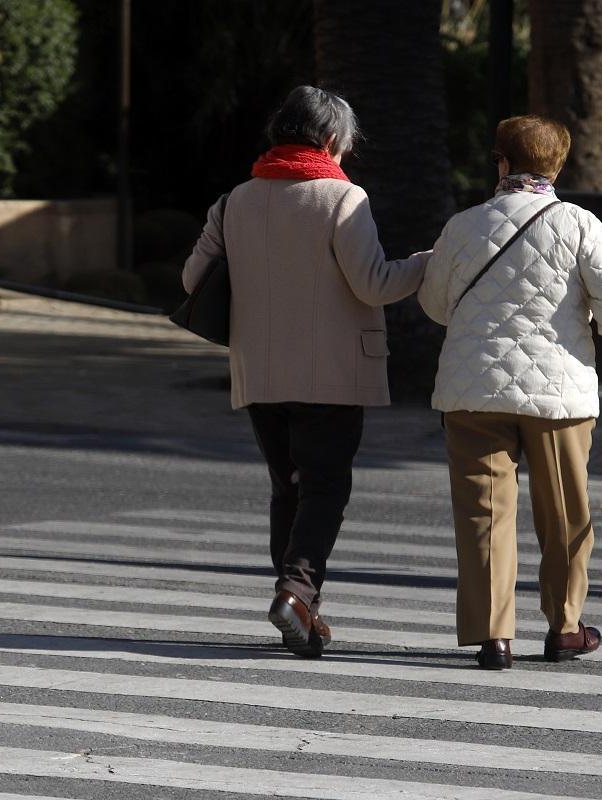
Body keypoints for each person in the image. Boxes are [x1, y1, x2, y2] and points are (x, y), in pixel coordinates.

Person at [182, 85, 429, 658]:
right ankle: (295, 593)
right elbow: (375, 284)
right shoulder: (343, 200)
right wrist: (429, 263)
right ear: (331, 140)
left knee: (286, 487)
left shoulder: (233, 200)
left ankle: (301, 608)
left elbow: (192, 280)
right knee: (324, 487)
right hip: (333, 373)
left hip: (260, 372)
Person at [417, 114, 602, 670]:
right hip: (559, 397)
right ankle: (565, 627)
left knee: (484, 514)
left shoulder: (463, 225)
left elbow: (433, 303)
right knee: (566, 511)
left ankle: (493, 635)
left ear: (501, 163)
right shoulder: (578, 225)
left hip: (471, 391)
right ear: (557, 165)